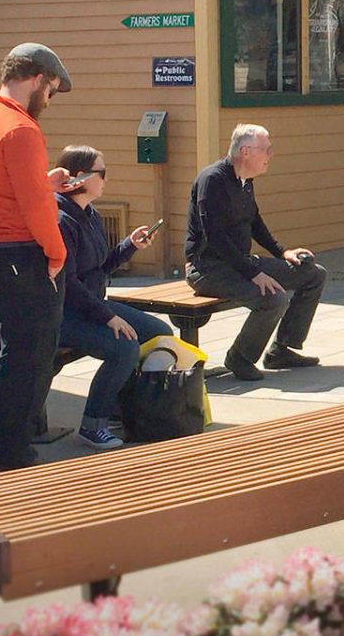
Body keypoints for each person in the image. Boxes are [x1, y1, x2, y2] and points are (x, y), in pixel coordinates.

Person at [0, 42, 75, 472]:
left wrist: (44, 182)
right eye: (52, 90)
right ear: (38, 78)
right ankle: (11, 457)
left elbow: (1, 186)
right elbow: (35, 210)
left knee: (7, 353)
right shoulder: (22, 128)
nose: (50, 101)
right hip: (25, 255)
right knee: (31, 358)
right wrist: (57, 252)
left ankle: (1, 445)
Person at [185, 124, 327, 381]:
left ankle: (281, 350)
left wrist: (282, 252)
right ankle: (239, 358)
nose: (270, 155)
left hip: (239, 262)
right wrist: (254, 273)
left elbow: (254, 221)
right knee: (273, 298)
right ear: (246, 151)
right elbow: (214, 237)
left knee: (313, 274)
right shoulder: (212, 181)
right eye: (266, 150)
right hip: (207, 269)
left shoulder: (245, 181)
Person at [55, 145, 172, 449]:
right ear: (78, 178)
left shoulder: (89, 213)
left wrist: (130, 245)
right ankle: (92, 425)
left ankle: (121, 407)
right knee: (124, 348)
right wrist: (109, 316)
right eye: (101, 172)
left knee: (159, 333)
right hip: (64, 314)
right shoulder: (59, 220)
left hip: (91, 305)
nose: (107, 178)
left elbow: (100, 267)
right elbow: (69, 284)